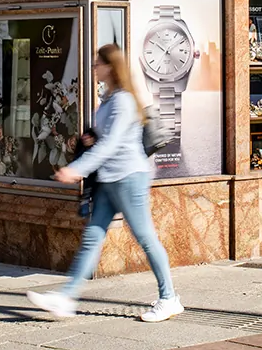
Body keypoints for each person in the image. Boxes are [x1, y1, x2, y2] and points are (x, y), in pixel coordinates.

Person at [27, 43, 184, 323]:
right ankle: (66, 299)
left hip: (129, 178)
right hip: (109, 179)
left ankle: (169, 298)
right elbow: (105, 138)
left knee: (146, 238)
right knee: (92, 238)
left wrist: (76, 169)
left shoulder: (122, 101)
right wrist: (89, 139)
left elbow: (111, 144)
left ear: (110, 67)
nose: (93, 67)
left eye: (97, 63)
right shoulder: (109, 98)